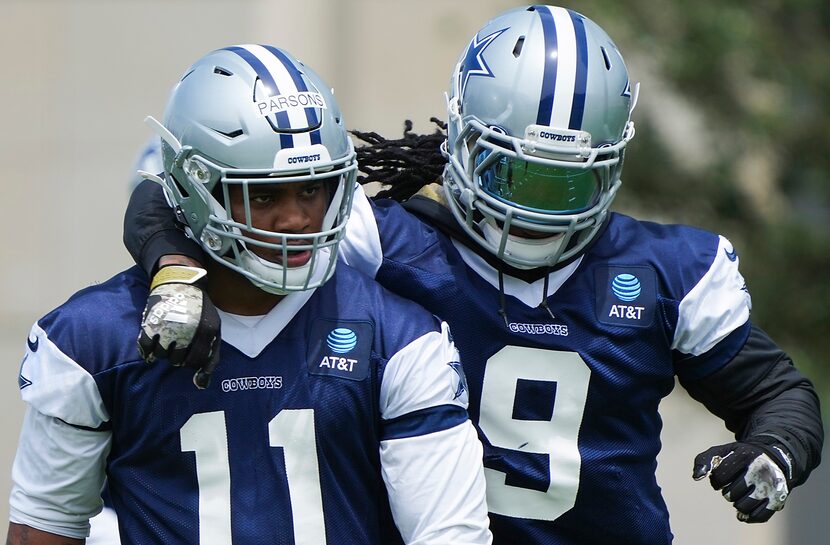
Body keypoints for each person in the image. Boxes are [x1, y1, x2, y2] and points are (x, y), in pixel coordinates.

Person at [123, 7, 824, 545]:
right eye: (513, 172)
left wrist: (777, 450)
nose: (535, 210)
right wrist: (174, 268)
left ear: (610, 170)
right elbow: (169, 175)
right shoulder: (387, 240)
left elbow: (779, 393)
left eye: (565, 185)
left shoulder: (665, 271)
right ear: (458, 137)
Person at [8, 44, 492, 545]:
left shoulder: (400, 340)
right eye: (262, 195)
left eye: (311, 188)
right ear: (195, 189)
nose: (297, 220)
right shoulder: (94, 340)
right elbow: (41, 530)